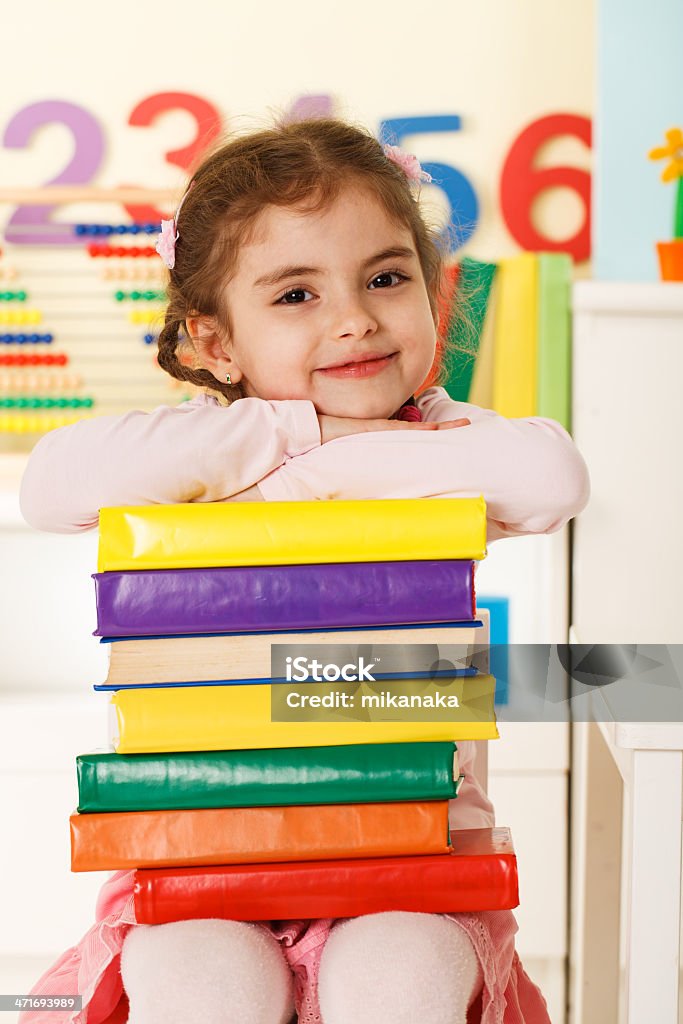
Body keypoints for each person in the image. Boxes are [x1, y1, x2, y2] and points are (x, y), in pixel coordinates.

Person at [19, 117, 589, 1024]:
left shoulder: (454, 438)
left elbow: (551, 477)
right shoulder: (216, 446)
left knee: (398, 973)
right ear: (214, 345)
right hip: (205, 852)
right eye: (295, 296)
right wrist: (297, 429)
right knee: (205, 981)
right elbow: (49, 488)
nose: (355, 318)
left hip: (413, 866)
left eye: (386, 278)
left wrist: (321, 459)